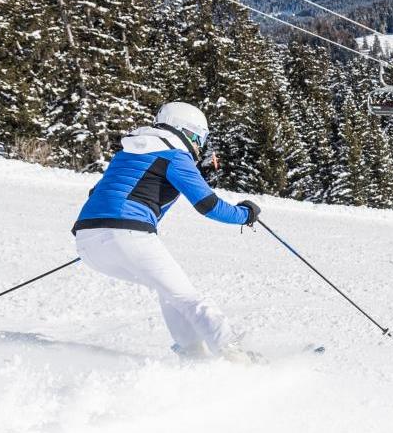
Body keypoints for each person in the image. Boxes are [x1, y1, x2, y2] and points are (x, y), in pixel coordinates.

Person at [72, 103, 261, 361]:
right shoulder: (174, 155)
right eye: (198, 138)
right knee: (190, 299)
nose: (198, 146)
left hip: (87, 241)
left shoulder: (129, 152)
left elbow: (97, 194)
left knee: (170, 292)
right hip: (126, 235)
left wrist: (105, 237)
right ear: (185, 131)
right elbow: (208, 205)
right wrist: (246, 214)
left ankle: (194, 353)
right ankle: (236, 357)